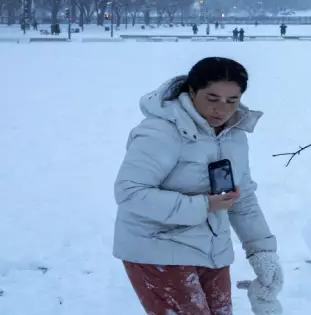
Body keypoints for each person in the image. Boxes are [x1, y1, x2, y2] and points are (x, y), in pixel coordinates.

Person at [113, 57, 283, 315]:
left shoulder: (234, 134)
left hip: (212, 250)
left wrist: (262, 253)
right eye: (212, 98)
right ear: (191, 92)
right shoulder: (161, 131)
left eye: (232, 100)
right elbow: (129, 192)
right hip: (157, 248)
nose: (222, 109)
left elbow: (242, 198)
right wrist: (203, 205)